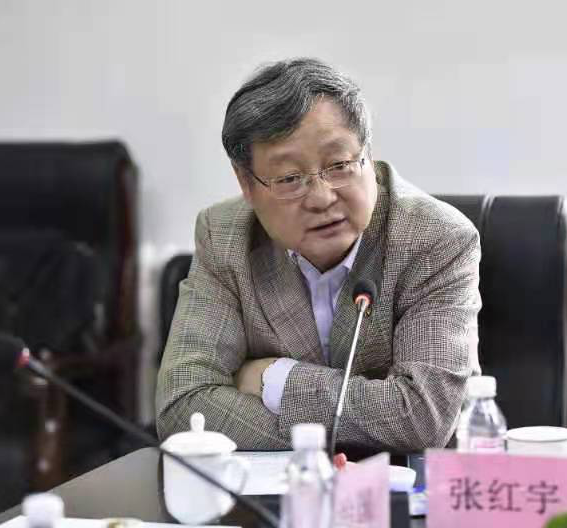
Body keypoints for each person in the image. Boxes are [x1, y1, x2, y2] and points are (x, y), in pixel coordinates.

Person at [156, 58, 481, 451]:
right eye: (290, 178)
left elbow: (422, 418)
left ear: (368, 153)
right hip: (274, 487)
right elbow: (183, 407)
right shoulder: (224, 235)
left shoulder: (435, 239)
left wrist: (276, 379)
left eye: (339, 165)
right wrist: (342, 431)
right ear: (246, 183)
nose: (322, 198)